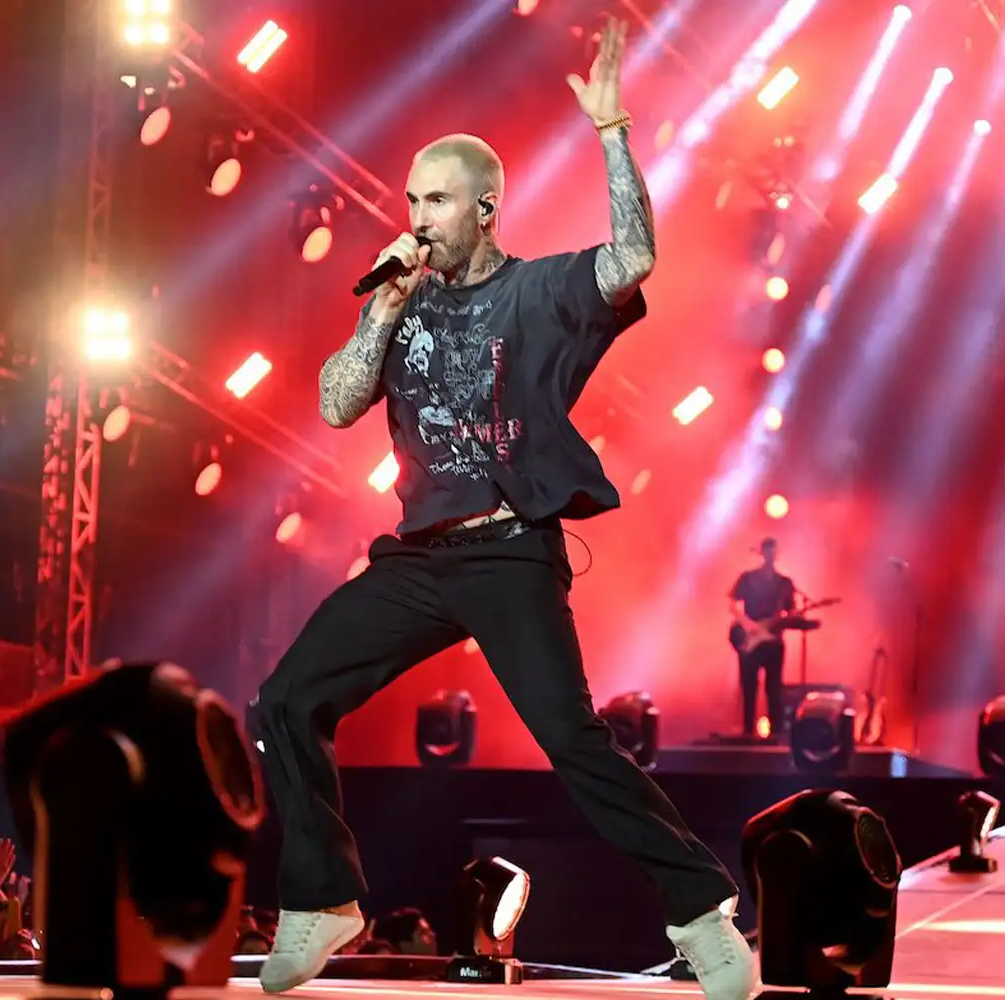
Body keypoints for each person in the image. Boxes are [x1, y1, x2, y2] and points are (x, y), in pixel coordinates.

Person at [249, 17, 754, 1000]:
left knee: (572, 741)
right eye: (410, 199)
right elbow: (337, 402)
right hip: (416, 558)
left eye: (436, 200)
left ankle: (702, 914)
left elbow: (632, 257)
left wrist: (611, 131)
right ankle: (323, 899)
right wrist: (381, 312)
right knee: (285, 699)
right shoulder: (399, 298)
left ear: (483, 207)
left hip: (508, 550)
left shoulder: (537, 290)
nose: (418, 217)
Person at [728, 537, 797, 740]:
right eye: (767, 551)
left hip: (774, 640)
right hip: (751, 638)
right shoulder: (747, 578)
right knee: (749, 686)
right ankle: (748, 731)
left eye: (773, 551)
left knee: (774, 687)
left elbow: (790, 610)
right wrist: (748, 624)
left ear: (777, 554)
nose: (770, 555)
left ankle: (775, 733)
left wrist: (784, 618)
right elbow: (733, 606)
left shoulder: (784, 583)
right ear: (761, 553)